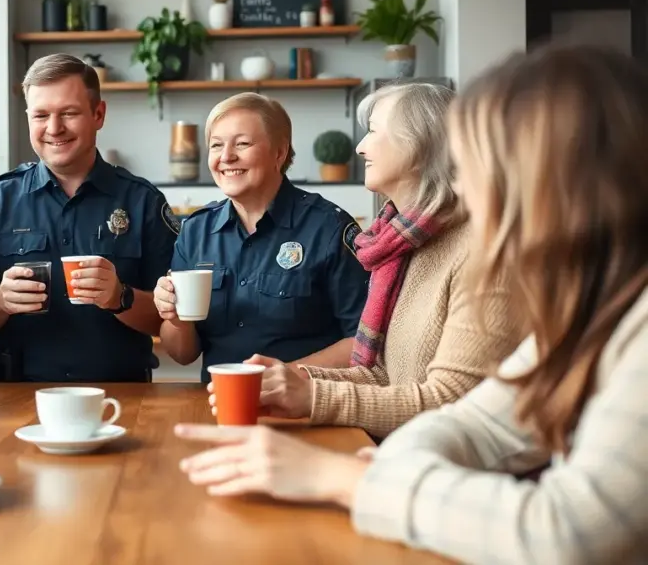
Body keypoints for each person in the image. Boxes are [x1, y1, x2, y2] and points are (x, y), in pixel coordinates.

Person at [175, 44, 648, 564]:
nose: (465, 187)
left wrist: (340, 476)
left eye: (479, 163)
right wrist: (374, 463)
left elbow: (561, 533)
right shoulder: (590, 306)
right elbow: (481, 421)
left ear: (561, 177)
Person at [213, 84, 521, 438]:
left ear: (419, 145)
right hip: (402, 455)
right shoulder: (397, 244)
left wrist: (312, 394)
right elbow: (382, 375)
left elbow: (451, 402)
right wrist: (291, 378)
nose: (360, 147)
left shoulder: (483, 252)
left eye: (373, 131)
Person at [0, 53, 176, 382]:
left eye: (69, 113)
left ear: (98, 114)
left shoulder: (143, 201)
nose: (54, 128)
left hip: (122, 397)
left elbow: (171, 320)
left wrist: (121, 296)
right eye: (41, 115)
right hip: (16, 400)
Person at [153, 92, 368, 382]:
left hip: (303, 410)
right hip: (221, 405)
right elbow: (183, 355)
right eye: (216, 145)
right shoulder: (195, 231)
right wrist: (175, 320)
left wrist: (286, 375)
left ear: (279, 152)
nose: (226, 156)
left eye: (242, 143)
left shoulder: (329, 227)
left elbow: (363, 342)